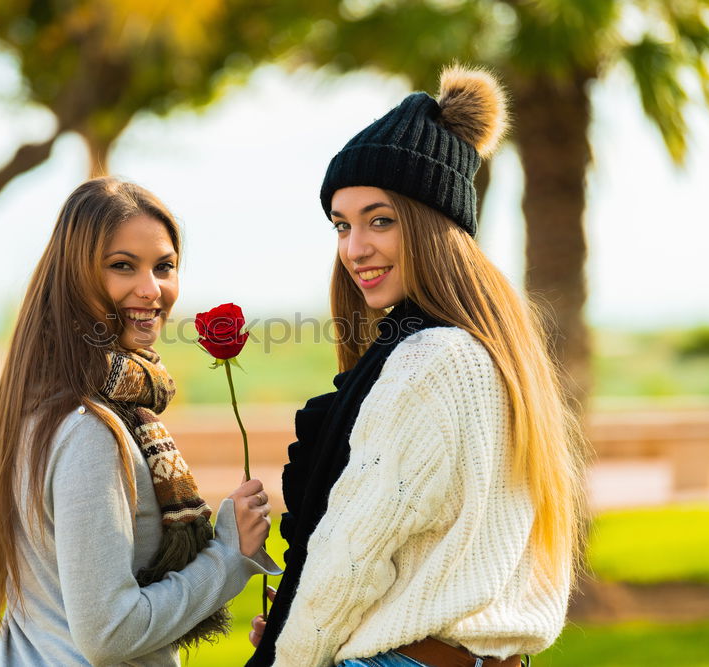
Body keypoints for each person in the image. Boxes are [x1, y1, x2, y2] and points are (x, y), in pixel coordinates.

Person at [246, 65, 586, 667]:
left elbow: (351, 558)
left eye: (380, 220)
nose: (354, 249)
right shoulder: (492, 353)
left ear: (435, 224)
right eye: (342, 226)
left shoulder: (430, 361)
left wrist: (284, 655)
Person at [0, 177, 280, 666]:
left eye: (164, 266)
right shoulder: (89, 429)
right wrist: (229, 554)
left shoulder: (46, 403)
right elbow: (109, 632)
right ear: (76, 278)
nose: (150, 289)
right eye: (122, 267)